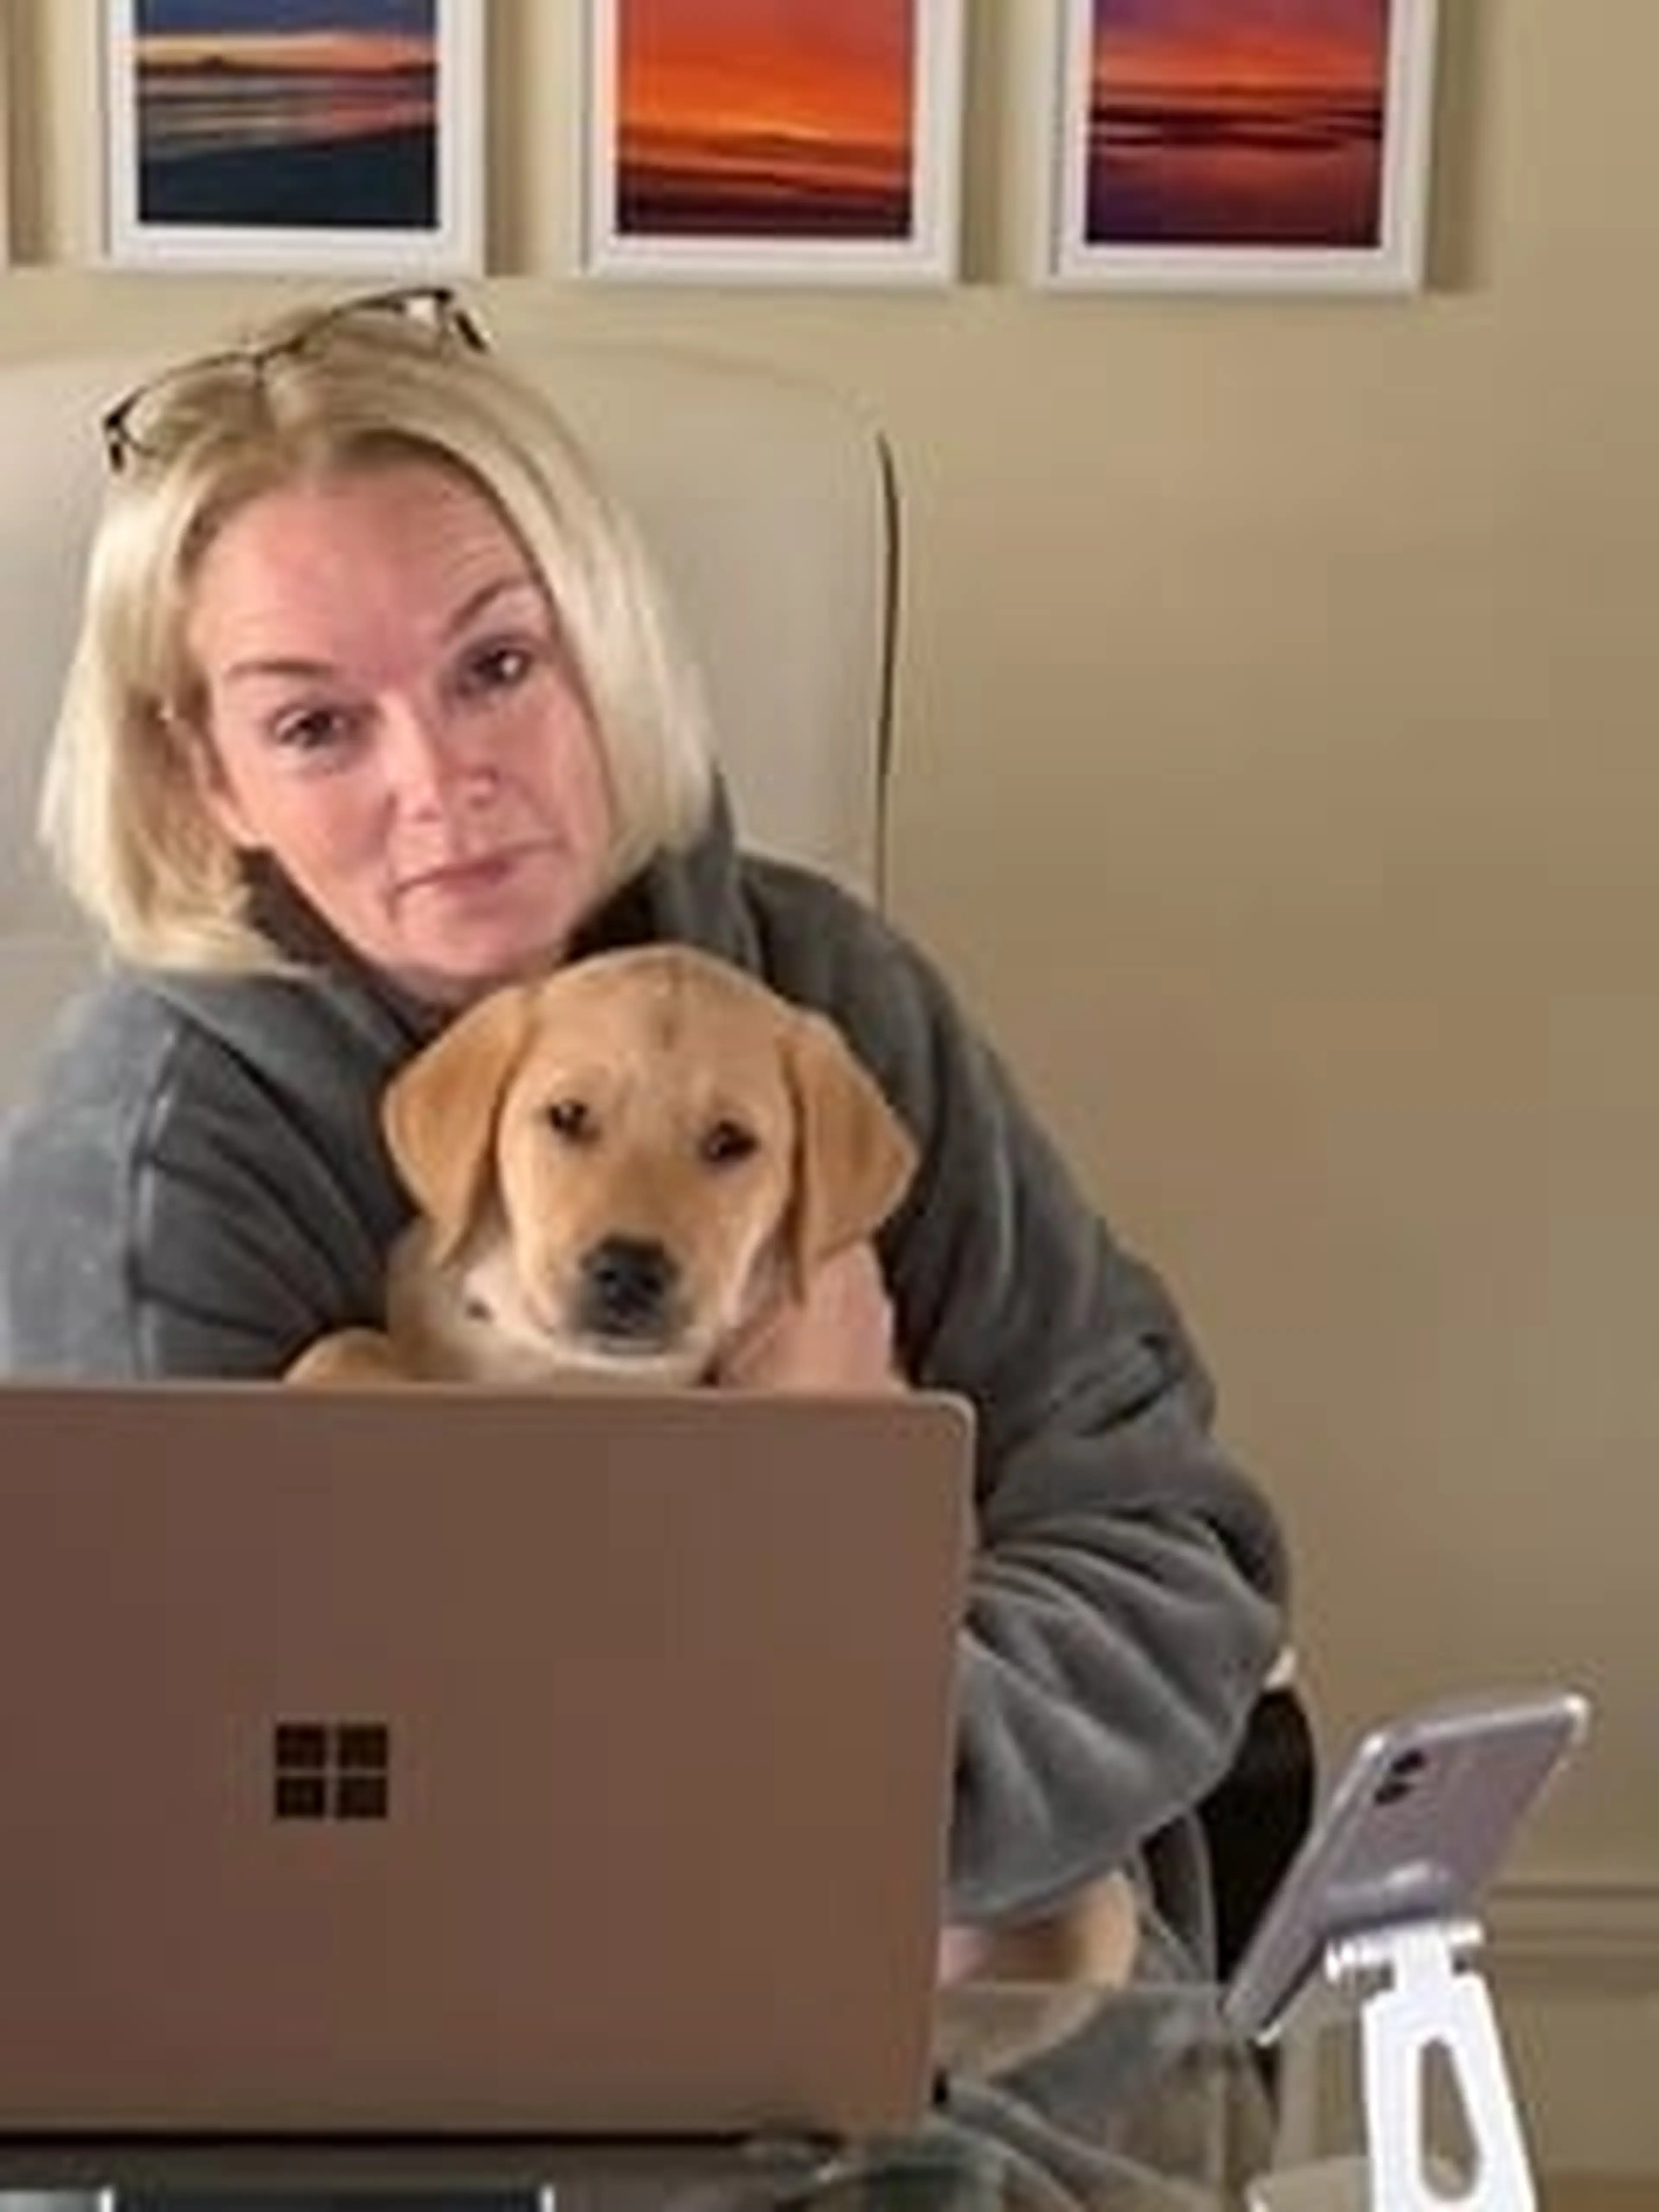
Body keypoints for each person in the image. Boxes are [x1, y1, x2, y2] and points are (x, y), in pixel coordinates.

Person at [0, 287, 1287, 2001]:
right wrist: (795, 1506)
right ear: (206, 776)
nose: (440, 780)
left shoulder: (833, 1000)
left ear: (606, 648)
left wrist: (886, 1786)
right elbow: (220, 1792)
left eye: (497, 666)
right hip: (446, 2021)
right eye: (316, 723)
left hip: (977, 1935)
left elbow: (1163, 1539)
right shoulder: (154, 1160)